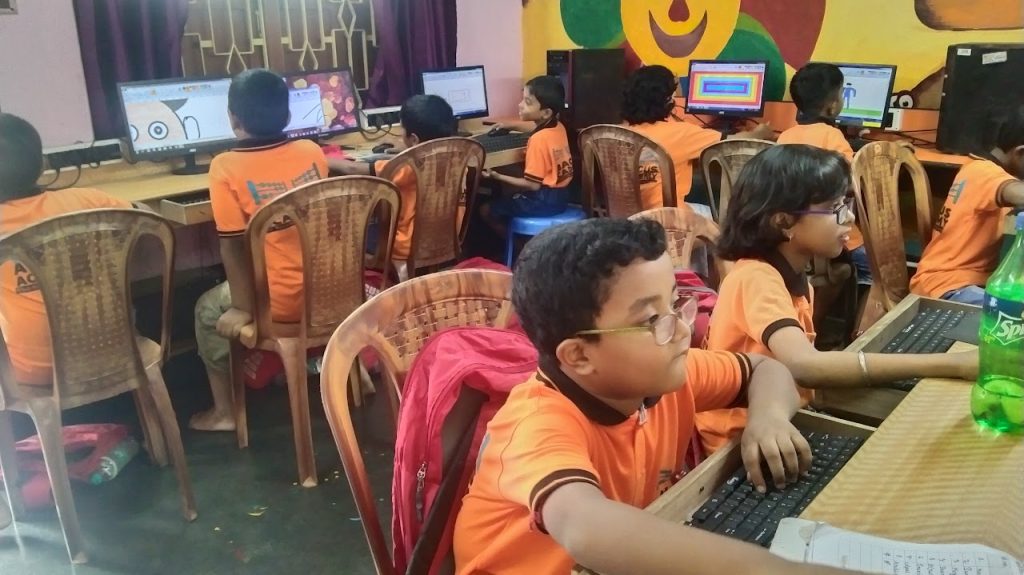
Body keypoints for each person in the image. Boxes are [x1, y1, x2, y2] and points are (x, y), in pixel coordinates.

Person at [453, 217, 861, 575]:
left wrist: (767, 418)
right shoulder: (536, 424)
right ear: (578, 355)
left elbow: (766, 369)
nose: (683, 329)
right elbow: (584, 527)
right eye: (652, 319)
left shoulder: (663, 376)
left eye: (676, 302)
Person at [701, 145, 977, 452]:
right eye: (835, 209)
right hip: (740, 444)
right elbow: (805, 365)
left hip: (782, 426)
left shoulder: (792, 275)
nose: (850, 218)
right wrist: (951, 364)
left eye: (846, 204)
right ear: (783, 222)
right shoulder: (757, 278)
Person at [192, 69, 328, 431]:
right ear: (287, 114)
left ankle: (225, 412)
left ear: (233, 118)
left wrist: (242, 307)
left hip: (279, 302)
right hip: (329, 291)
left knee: (205, 308)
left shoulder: (224, 166)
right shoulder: (312, 151)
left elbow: (232, 246)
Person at [0, 113, 134, 386]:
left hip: (31, 372)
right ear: (43, 164)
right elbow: (142, 217)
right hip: (113, 351)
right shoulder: (89, 200)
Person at [328, 94, 458, 281]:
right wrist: (409, 150)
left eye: (401, 129)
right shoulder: (458, 155)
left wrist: (320, 158)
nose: (399, 134)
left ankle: (362, 287)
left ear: (414, 139)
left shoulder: (405, 167)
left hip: (406, 246)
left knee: (346, 232)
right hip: (446, 239)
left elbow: (352, 168)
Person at [910, 105, 1024, 305]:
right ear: (1020, 153)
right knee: (1015, 311)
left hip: (959, 281)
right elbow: (1018, 193)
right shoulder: (985, 173)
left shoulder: (978, 165)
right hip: (948, 286)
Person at [622, 65, 772, 215]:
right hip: (670, 216)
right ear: (669, 100)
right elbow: (735, 142)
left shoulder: (620, 132)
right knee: (724, 214)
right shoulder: (681, 133)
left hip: (628, 216)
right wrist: (761, 131)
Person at [777, 63, 870, 287]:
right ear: (832, 106)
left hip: (792, 231)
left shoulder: (785, 136)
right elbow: (852, 183)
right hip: (831, 231)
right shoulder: (832, 136)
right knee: (875, 268)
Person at [480, 76, 574, 234]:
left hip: (541, 201)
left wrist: (497, 176)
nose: (520, 105)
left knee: (485, 209)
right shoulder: (558, 127)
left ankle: (518, 245)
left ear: (546, 112)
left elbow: (532, 185)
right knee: (510, 191)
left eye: (527, 102)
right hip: (562, 197)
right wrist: (510, 126)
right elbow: (533, 127)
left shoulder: (538, 140)